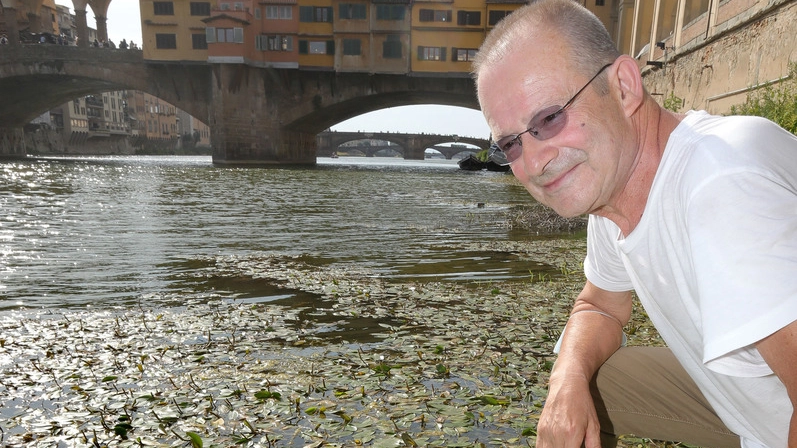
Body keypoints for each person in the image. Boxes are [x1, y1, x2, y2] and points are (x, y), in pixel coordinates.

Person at [472, 1, 796, 447]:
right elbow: (599, 306)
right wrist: (565, 383)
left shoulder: (721, 184)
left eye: (549, 119)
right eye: (510, 144)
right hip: (753, 414)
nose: (535, 161)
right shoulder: (613, 188)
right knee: (587, 380)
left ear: (623, 87)